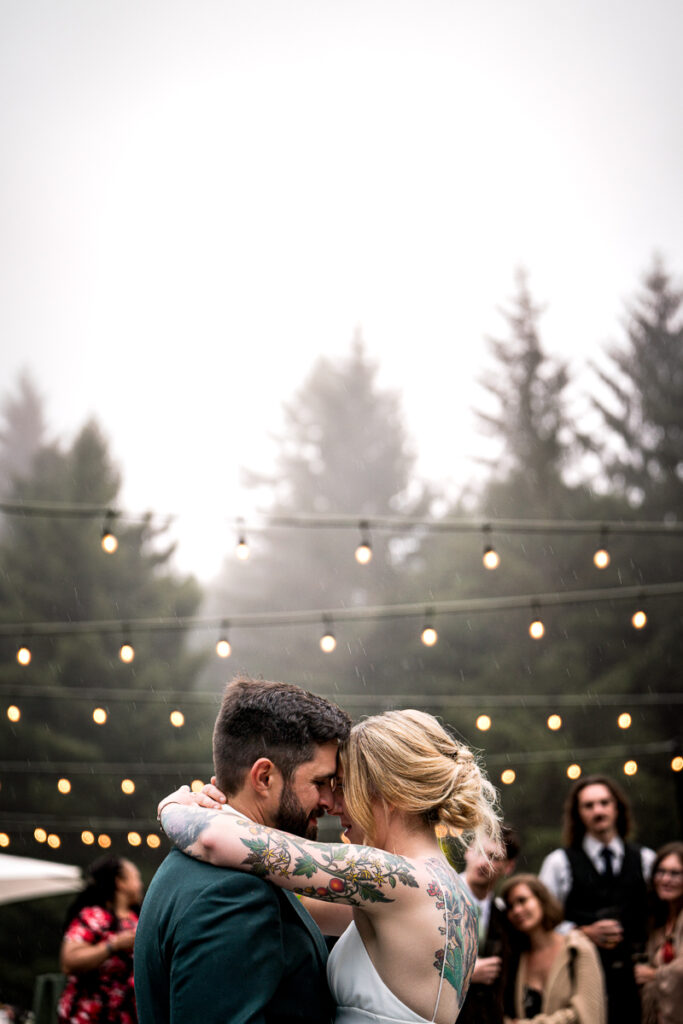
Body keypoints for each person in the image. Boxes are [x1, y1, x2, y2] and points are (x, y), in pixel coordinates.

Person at [159, 706, 501, 1024]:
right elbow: (299, 903)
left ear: (386, 790)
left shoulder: (389, 876)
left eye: (342, 786)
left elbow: (211, 841)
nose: (333, 805)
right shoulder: (451, 892)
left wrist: (173, 805)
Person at [134, 675, 352, 1024]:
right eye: (319, 782)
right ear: (264, 777)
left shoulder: (213, 866)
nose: (329, 801)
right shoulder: (234, 891)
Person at [539, 774, 655, 1024]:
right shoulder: (559, 863)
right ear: (578, 813)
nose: (598, 811)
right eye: (588, 805)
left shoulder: (646, 859)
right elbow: (543, 923)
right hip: (581, 982)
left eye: (604, 802)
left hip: (637, 983)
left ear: (617, 807)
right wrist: (581, 931)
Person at [501, 874, 606, 1024]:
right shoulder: (516, 958)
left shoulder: (578, 949)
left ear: (542, 900)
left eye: (522, 900)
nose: (517, 910)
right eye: (510, 906)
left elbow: (588, 1015)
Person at [57, 855, 143, 1024]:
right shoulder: (93, 917)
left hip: (126, 1016)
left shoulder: (138, 920)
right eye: (136, 878)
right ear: (120, 882)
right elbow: (69, 962)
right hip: (90, 1015)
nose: (140, 884)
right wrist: (114, 945)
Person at [457, 825, 520, 1024]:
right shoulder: (440, 900)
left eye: (494, 857)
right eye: (479, 852)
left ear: (509, 866)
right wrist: (464, 975)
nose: (484, 862)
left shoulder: (504, 917)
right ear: (468, 851)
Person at [635, 841, 683, 1024]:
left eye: (675, 873)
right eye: (660, 872)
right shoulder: (658, 922)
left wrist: (655, 975)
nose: (665, 879)